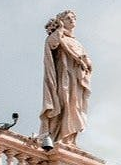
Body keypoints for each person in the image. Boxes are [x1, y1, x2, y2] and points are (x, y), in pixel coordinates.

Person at [37, 10, 91, 147]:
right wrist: (59, 29)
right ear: (61, 21)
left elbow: (85, 59)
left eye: (74, 17)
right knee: (64, 103)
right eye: (68, 18)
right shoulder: (59, 37)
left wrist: (87, 63)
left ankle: (70, 139)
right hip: (64, 78)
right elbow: (51, 44)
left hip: (77, 80)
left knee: (75, 106)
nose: (72, 20)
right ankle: (61, 136)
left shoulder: (77, 43)